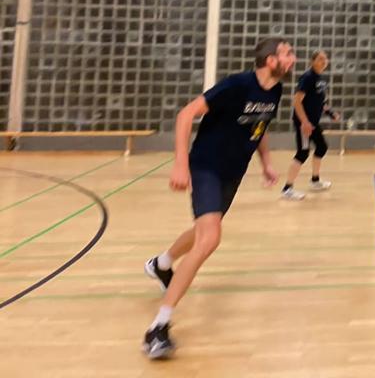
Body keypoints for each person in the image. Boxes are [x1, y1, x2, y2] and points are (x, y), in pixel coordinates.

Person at [142, 37, 296, 359]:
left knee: (202, 231)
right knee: (210, 238)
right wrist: (180, 163)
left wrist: (266, 162)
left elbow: (259, 126)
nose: (292, 58)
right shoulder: (235, 85)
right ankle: (158, 328)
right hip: (206, 167)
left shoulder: (275, 91)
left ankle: (162, 264)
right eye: (287, 53)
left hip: (232, 173)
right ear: (270, 60)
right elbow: (186, 115)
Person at [281, 50, 341, 200]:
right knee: (303, 153)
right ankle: (287, 189)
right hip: (304, 123)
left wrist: (331, 113)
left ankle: (315, 181)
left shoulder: (322, 79)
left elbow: (321, 101)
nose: (324, 61)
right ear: (312, 61)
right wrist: (305, 122)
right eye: (320, 59)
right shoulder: (307, 77)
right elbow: (297, 102)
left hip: (313, 122)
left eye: (325, 59)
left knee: (322, 147)